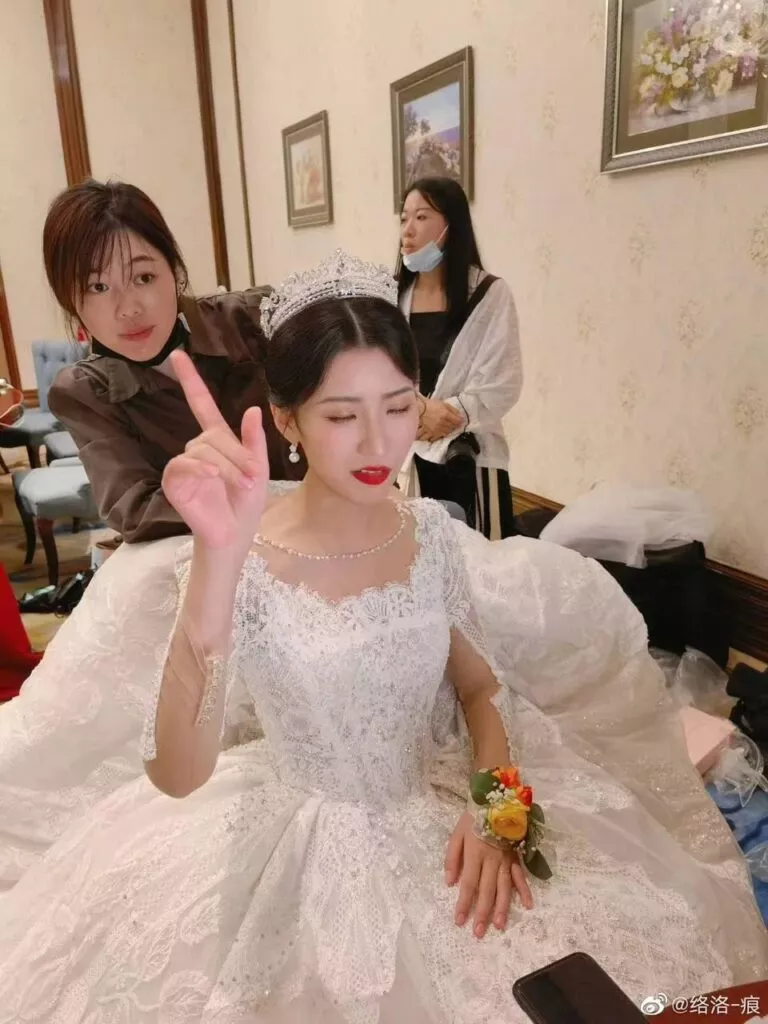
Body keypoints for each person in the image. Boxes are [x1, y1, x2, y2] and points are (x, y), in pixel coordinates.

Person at [0, 252, 764, 1023]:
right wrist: (214, 568)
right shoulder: (243, 555)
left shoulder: (427, 533)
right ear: (288, 420)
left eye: (398, 407)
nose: (378, 444)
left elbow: (480, 686)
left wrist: (498, 811)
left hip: (434, 811)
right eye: (342, 417)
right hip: (286, 836)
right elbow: (178, 772)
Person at [43, 179, 304, 544]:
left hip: (319, 532)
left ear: (176, 273)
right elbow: (134, 509)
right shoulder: (86, 392)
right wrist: (238, 496)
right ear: (69, 301)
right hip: (203, 555)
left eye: (143, 277)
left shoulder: (254, 319)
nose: (128, 308)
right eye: (98, 287)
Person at [397, 177, 521, 539]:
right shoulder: (393, 298)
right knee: (419, 560)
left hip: (470, 458)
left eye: (421, 217)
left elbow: (502, 382)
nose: (408, 230)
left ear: (451, 226)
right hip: (407, 456)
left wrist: (449, 414)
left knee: (480, 564)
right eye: (404, 218)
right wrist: (420, 411)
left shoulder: (489, 295)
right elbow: (378, 376)